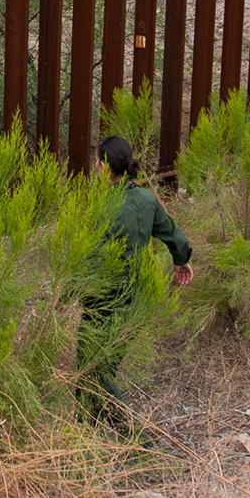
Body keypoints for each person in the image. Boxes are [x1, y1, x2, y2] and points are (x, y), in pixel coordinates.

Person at [77, 134, 193, 424]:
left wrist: (67, 292)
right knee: (106, 366)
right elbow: (170, 231)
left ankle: (134, 437)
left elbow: (92, 259)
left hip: (104, 303)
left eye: (96, 161)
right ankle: (94, 421)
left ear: (103, 166)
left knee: (90, 371)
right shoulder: (145, 198)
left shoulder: (101, 206)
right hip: (137, 299)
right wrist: (182, 260)